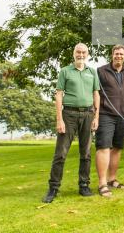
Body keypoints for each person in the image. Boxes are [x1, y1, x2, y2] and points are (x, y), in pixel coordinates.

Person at [42, 43, 100, 203]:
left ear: (87, 54)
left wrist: (96, 117)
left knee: (86, 153)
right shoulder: (65, 71)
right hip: (68, 115)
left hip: (88, 114)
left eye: (84, 52)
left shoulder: (92, 72)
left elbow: (96, 95)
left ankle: (84, 185)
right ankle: (53, 188)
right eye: (78, 52)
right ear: (74, 54)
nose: (81, 54)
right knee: (60, 153)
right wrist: (59, 119)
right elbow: (59, 95)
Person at [95, 44, 124, 197]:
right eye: (116, 53)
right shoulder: (101, 71)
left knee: (118, 147)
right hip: (105, 114)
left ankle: (112, 179)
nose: (118, 56)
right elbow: (96, 93)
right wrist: (96, 114)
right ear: (112, 54)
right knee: (104, 147)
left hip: (123, 115)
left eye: (121, 54)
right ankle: (102, 183)